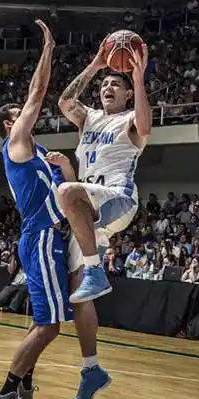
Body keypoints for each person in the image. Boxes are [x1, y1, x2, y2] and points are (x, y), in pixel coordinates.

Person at [0, 20, 109, 399]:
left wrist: (66, 168)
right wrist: (49, 49)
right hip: (39, 238)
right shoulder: (16, 145)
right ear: (9, 125)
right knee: (50, 325)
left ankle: (22, 390)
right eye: (18, 116)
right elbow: (38, 94)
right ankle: (4, 393)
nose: (27, 116)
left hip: (53, 238)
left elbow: (69, 195)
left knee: (50, 321)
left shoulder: (41, 156)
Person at [56, 38, 151, 303]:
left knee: (66, 191)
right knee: (68, 284)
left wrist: (138, 79)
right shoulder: (89, 117)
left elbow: (145, 129)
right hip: (91, 206)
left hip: (119, 198)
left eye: (116, 84)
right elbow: (64, 103)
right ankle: (92, 275)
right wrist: (96, 65)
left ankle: (96, 271)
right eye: (105, 84)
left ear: (128, 94)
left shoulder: (130, 118)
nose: (108, 86)